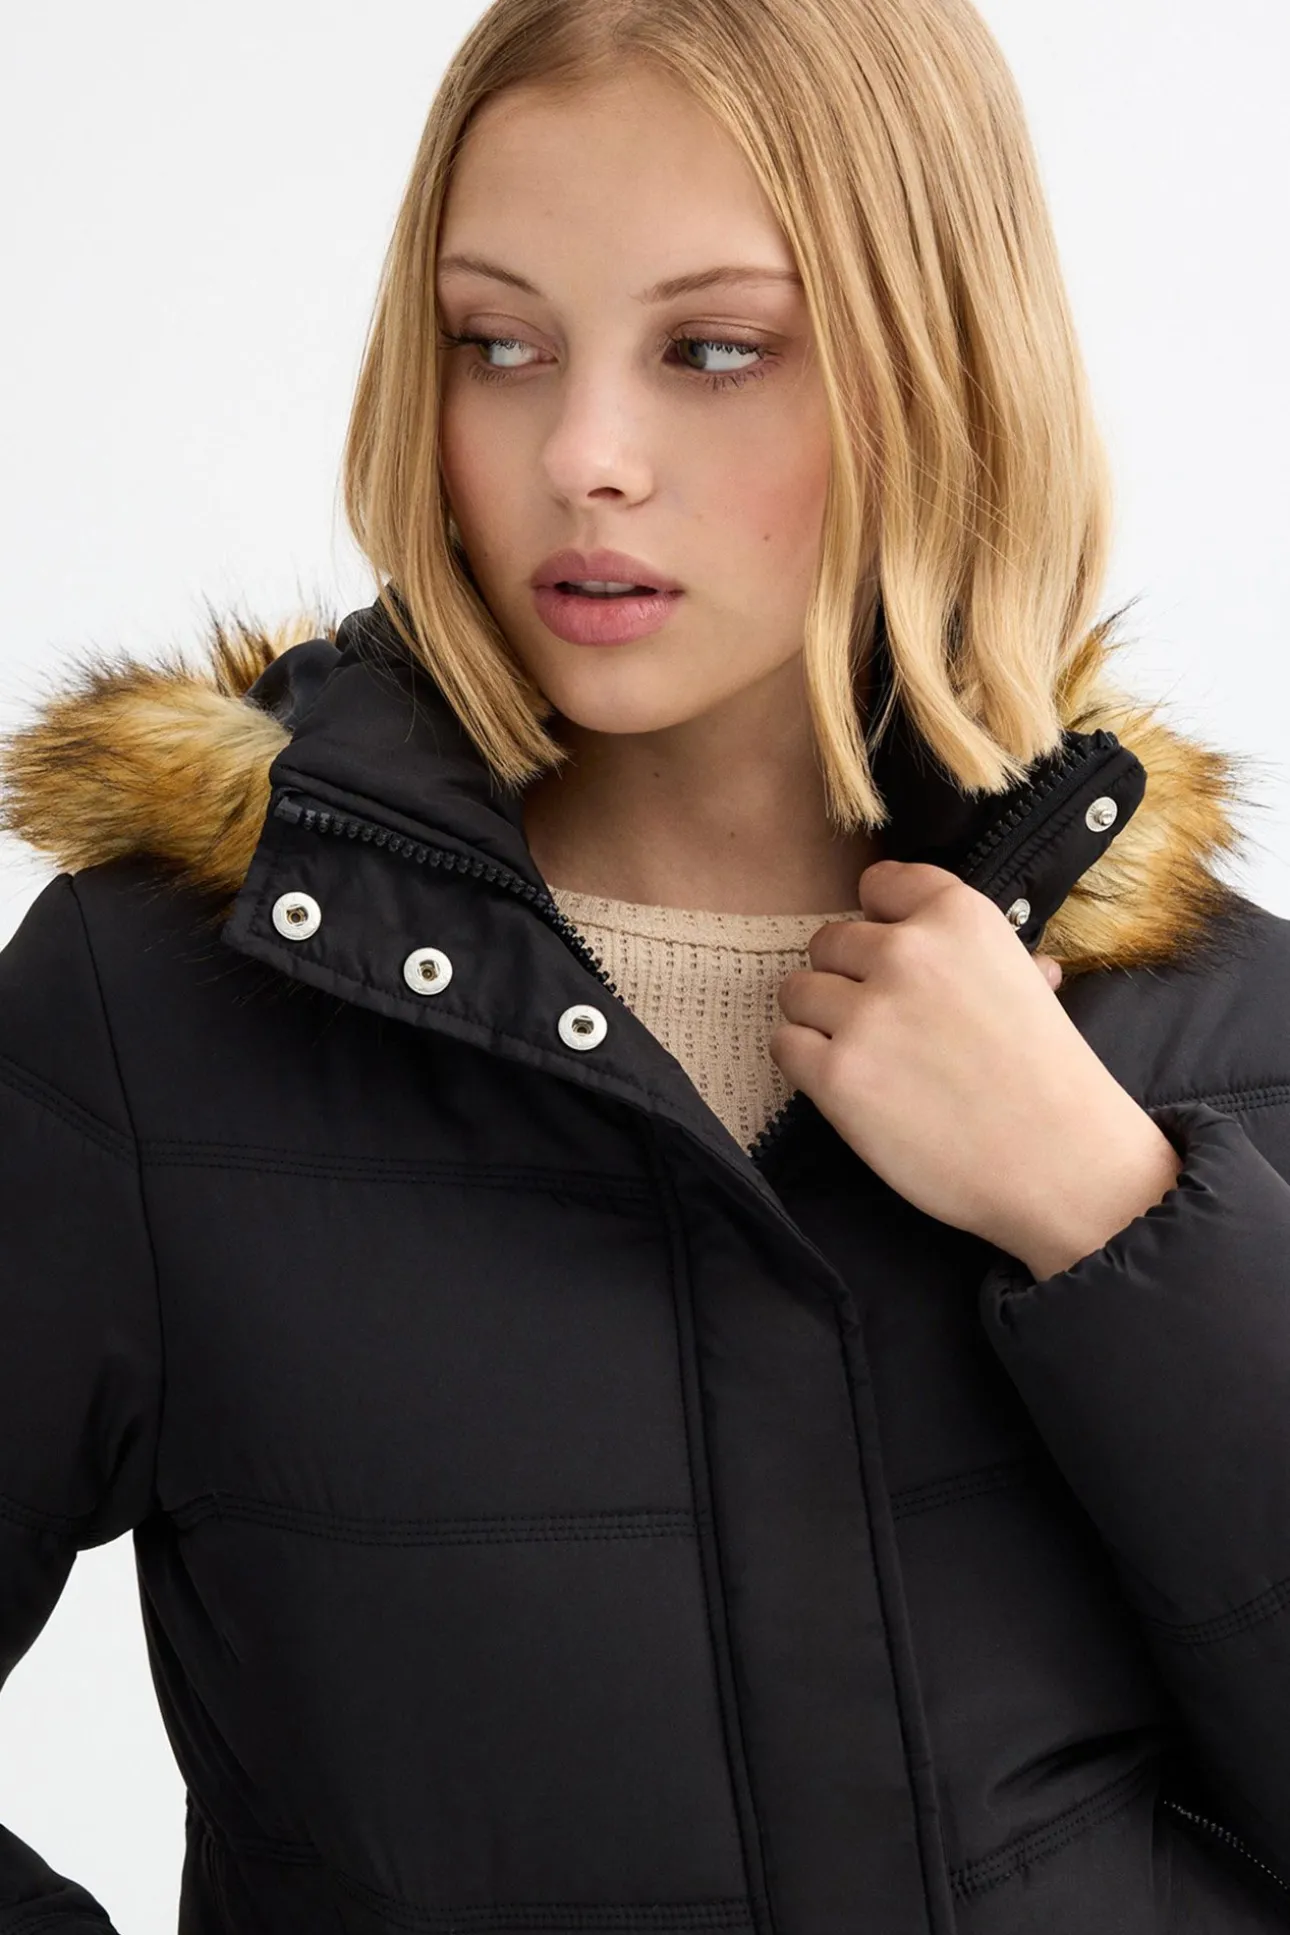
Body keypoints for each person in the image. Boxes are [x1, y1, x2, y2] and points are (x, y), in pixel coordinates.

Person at [1, 0, 1288, 1928]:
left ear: (943, 367)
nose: (582, 455)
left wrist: (1111, 1215)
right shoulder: (160, 1012)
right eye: (497, 343)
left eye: (713, 349)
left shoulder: (1221, 1039)